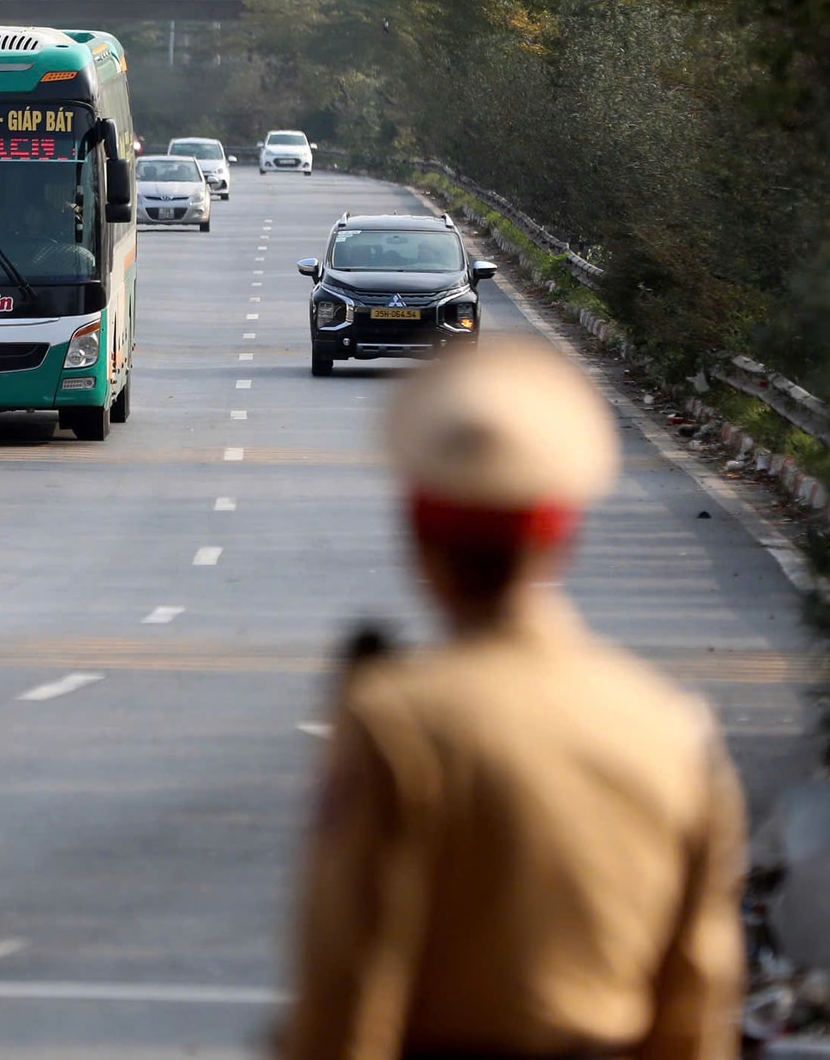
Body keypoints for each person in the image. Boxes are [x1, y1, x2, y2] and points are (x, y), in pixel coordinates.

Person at [282, 342, 745, 1060]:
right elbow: (696, 999)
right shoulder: (672, 729)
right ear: (564, 534)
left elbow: (349, 985)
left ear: (420, 539)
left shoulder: (397, 722)